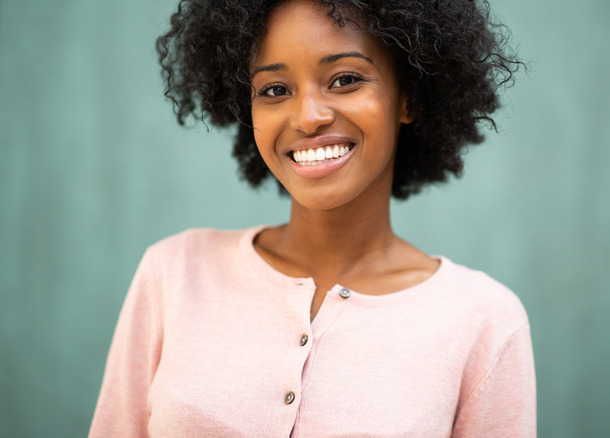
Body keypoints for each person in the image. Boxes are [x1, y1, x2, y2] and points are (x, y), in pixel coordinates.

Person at [89, 0, 536, 436]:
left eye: (344, 79)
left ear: (409, 97)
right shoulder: (175, 271)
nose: (308, 118)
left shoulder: (483, 319)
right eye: (275, 90)